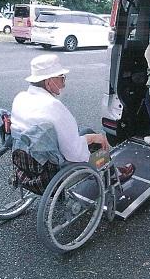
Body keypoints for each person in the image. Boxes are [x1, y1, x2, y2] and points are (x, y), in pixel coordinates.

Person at [10, 54, 134, 194]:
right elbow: (75, 154)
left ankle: (110, 169)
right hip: (49, 171)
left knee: (86, 132)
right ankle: (110, 173)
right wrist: (93, 139)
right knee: (96, 145)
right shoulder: (53, 106)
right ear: (49, 82)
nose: (63, 83)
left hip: (26, 162)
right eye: (61, 78)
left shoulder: (20, 98)